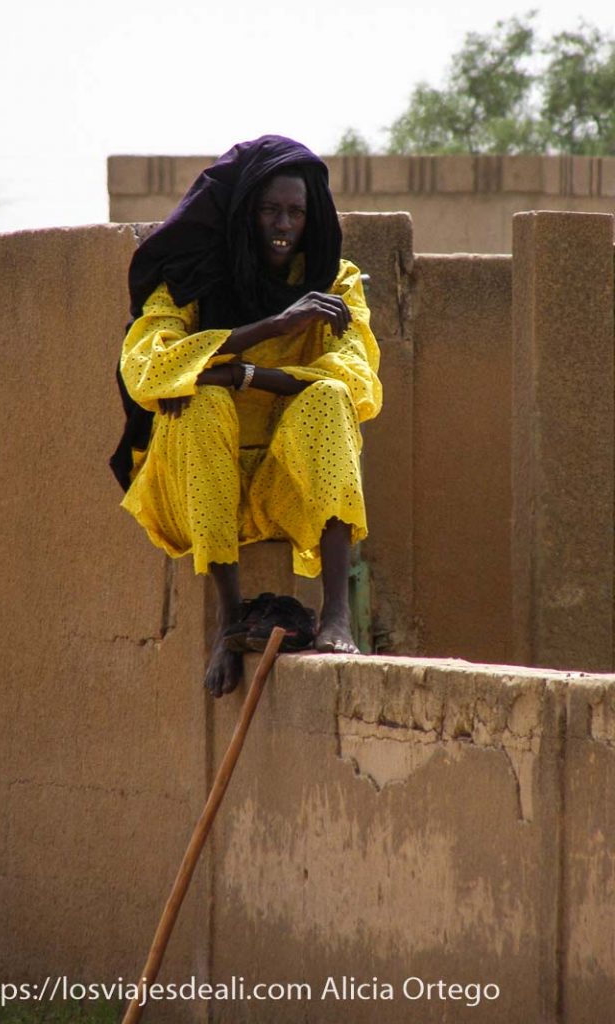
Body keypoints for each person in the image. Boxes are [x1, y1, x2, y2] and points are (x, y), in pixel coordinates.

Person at [110, 135, 382, 697]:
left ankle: (336, 616)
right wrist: (273, 328)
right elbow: (148, 370)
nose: (283, 224)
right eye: (270, 210)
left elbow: (356, 381)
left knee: (329, 400)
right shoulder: (191, 278)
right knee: (201, 405)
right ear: (244, 213)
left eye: (296, 212)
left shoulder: (333, 282)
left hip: (286, 484)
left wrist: (238, 373)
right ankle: (228, 620)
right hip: (198, 488)